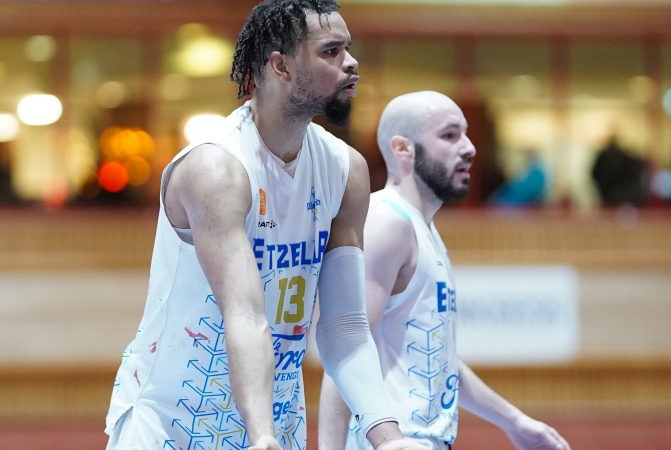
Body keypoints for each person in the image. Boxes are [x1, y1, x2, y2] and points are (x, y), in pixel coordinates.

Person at [105, 2, 427, 450]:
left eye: (348, 48)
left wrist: (387, 436)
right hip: (174, 428)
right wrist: (261, 435)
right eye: (331, 51)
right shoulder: (216, 168)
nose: (351, 62)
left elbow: (345, 326)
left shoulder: (346, 170)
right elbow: (244, 314)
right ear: (281, 65)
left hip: (278, 426)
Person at [318, 91, 571, 450]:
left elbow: (439, 360)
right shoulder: (388, 222)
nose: (469, 148)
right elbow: (346, 352)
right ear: (402, 148)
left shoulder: (424, 230)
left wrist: (513, 420)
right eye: (450, 135)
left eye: (465, 134)